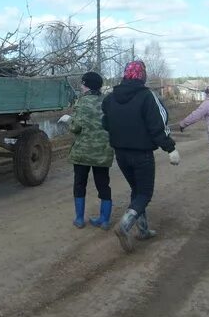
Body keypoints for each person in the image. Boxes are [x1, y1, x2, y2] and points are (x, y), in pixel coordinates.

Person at [101, 60, 180, 253]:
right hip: (141, 154)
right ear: (142, 76)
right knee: (144, 193)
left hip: (120, 154)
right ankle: (124, 226)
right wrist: (170, 149)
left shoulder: (110, 98)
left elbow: (105, 123)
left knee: (137, 190)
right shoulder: (147, 97)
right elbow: (158, 126)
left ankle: (143, 230)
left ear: (125, 75)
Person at [59, 72, 114, 229]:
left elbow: (76, 128)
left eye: (83, 84)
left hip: (83, 153)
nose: (81, 87)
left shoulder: (81, 102)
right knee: (103, 184)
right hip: (103, 152)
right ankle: (104, 221)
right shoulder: (107, 102)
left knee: (79, 184)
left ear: (87, 85)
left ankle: (79, 219)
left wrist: (68, 120)